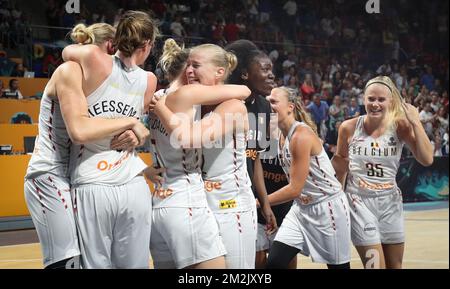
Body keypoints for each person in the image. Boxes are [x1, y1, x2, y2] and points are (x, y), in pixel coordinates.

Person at [24, 22, 148, 269]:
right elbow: (80, 130)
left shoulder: (99, 82)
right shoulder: (70, 70)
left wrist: (134, 134)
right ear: (110, 47)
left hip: (72, 173)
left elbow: (108, 123)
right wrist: (133, 121)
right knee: (67, 262)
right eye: (118, 50)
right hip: (48, 172)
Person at [61, 11, 158, 269]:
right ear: (148, 44)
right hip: (133, 184)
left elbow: (66, 52)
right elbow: (140, 121)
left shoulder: (94, 58)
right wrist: (135, 130)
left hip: (92, 181)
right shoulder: (149, 79)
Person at [149, 39, 251, 269]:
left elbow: (190, 138)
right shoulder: (195, 103)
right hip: (200, 203)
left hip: (229, 206)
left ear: (220, 72)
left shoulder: (233, 105)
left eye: (196, 65)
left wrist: (161, 108)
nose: (190, 70)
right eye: (188, 65)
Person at [332, 76, 434, 269]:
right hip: (359, 202)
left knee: (394, 266)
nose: (375, 104)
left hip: (390, 202)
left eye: (381, 99)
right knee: (374, 266)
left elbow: (427, 159)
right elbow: (340, 166)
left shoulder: (400, 127)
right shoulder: (348, 128)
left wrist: (415, 122)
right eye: (371, 99)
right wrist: (337, 202)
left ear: (391, 102)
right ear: (363, 99)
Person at [264, 87, 351, 269]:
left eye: (273, 101)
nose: (268, 105)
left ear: (290, 107)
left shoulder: (301, 135)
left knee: (338, 268)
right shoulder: (278, 133)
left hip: (328, 207)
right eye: (267, 100)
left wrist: (259, 202)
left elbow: (294, 188)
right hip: (301, 208)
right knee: (274, 262)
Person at [225, 39, 280, 268]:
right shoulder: (225, 103)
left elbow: (255, 157)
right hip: (221, 195)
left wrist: (266, 205)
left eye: (272, 70)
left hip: (246, 197)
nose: (271, 76)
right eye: (265, 69)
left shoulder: (264, 107)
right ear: (245, 74)